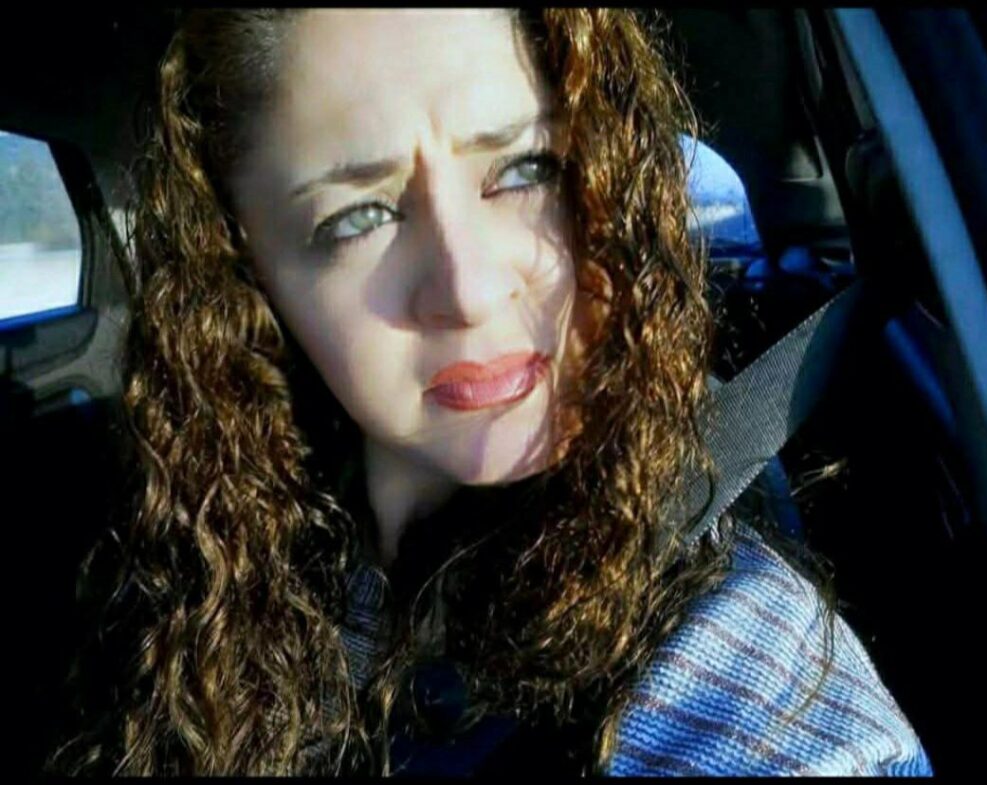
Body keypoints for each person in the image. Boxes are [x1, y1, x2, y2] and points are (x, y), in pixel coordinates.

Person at [47, 8, 932, 776]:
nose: (468, 290)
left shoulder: (744, 664)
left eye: (524, 171)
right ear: (250, 273)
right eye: (358, 217)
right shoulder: (207, 573)